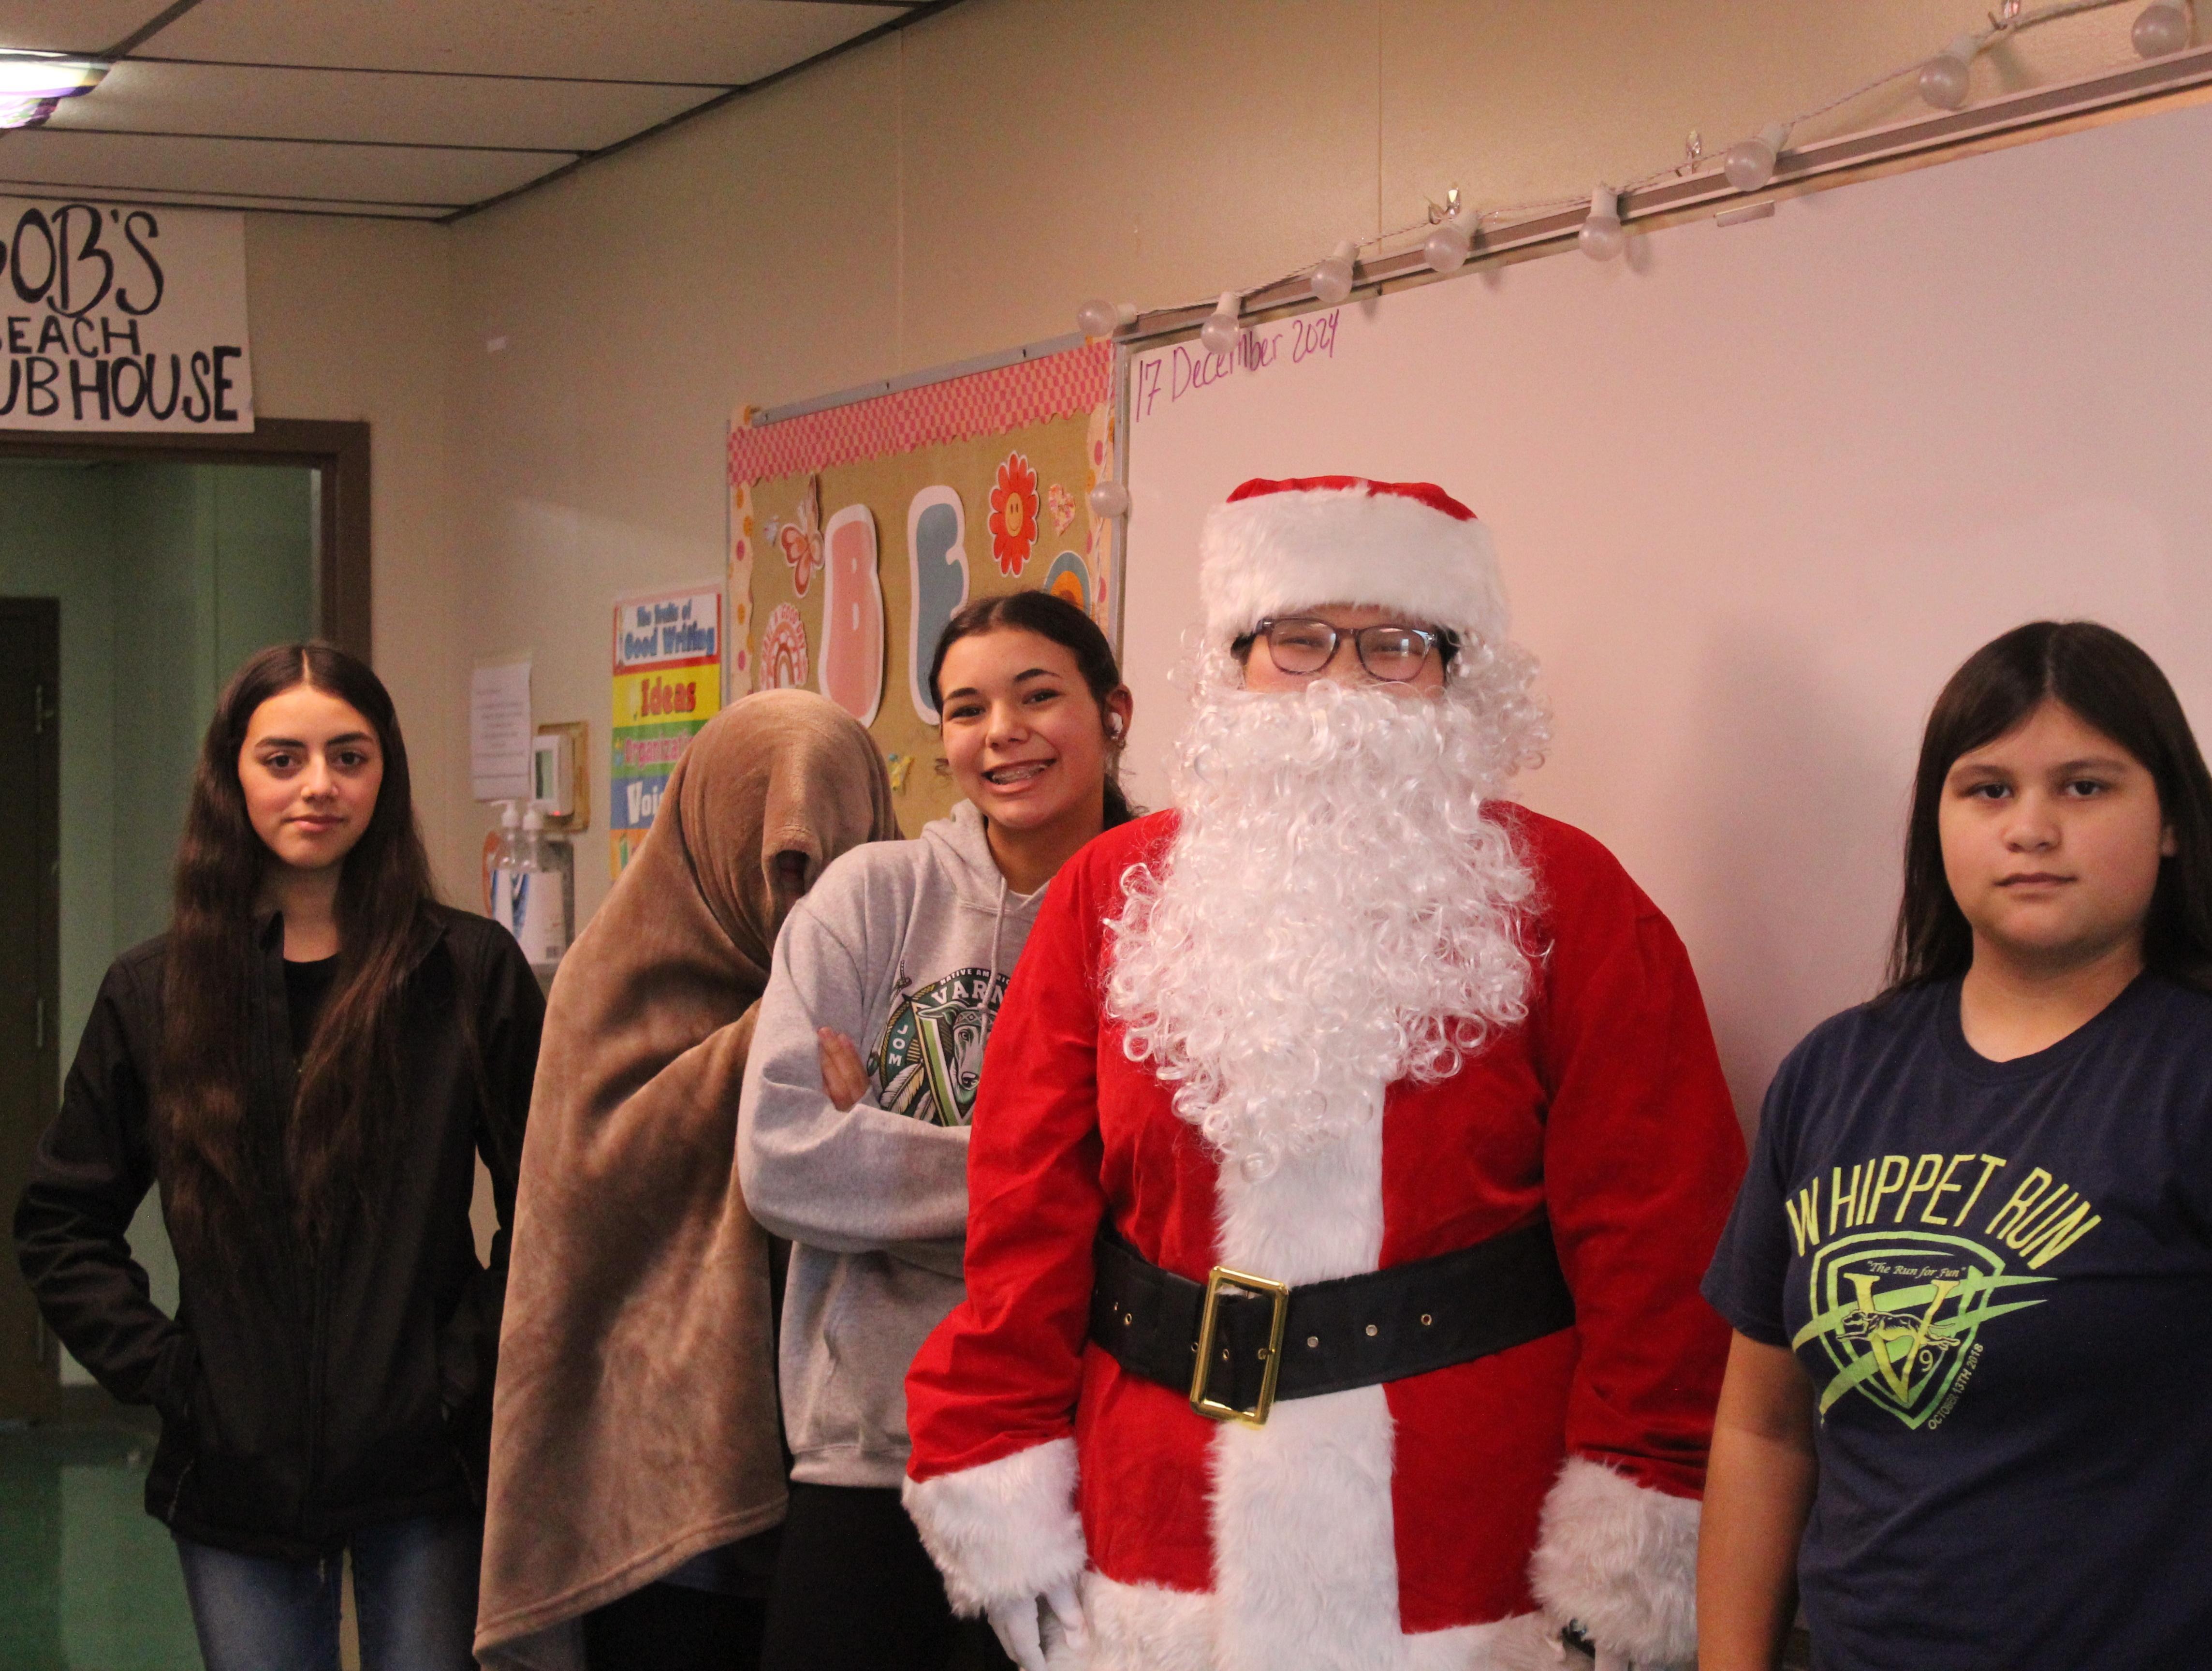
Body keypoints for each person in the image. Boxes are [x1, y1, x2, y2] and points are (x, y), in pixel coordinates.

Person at [899, 476, 1746, 1671]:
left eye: (1395, 645)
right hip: (1160, 1535)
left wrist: (1634, 1539)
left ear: (1459, 676)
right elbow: (1025, 1217)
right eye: (1298, 642)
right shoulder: (1109, 896)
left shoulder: (1574, 898)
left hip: (1469, 1558)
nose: (1342, 681)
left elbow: (1662, 1243)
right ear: (1236, 665)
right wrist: (1001, 1476)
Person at [1694, 620, 2212, 1671]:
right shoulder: (1834, 1073)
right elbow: (1763, 1434)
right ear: (1938, 823)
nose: (2032, 829)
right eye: (1987, 789)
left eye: (2086, 788)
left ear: (2174, 819)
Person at [14, 643, 543, 1671]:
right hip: (233, 1474)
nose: (319, 786)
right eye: (284, 758)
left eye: (349, 757)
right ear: (233, 776)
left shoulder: (470, 973)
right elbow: (61, 1221)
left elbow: (556, 1204)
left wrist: (463, 1367)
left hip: (426, 1468)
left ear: (384, 774)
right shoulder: (154, 993)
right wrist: (177, 1377)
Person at [736, 590, 1135, 1671]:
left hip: (1082, 1452)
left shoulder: (1166, 910)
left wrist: (878, 1147)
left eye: (1036, 695)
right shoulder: (874, 900)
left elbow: (1175, 1197)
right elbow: (782, 1161)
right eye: (966, 708)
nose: (1000, 730)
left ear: (1114, 714)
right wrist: (1064, 1184)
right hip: (868, 1448)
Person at [474, 689, 899, 1671]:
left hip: (866, 1483)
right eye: (785, 867)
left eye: (837, 869)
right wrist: (781, 1048)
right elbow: (582, 1211)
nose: (808, 906)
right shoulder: (608, 981)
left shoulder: (919, 978)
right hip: (661, 1504)